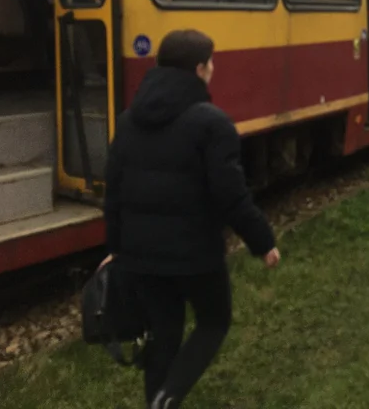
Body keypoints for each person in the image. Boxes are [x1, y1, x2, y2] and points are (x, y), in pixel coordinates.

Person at [102, 29, 280, 409]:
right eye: (211, 63)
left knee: (162, 334)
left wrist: (115, 249)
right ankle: (169, 396)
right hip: (195, 256)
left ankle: (158, 402)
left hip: (141, 257)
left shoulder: (129, 120)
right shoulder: (211, 123)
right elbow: (231, 194)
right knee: (214, 321)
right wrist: (263, 242)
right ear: (199, 68)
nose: (214, 69)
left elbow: (113, 194)